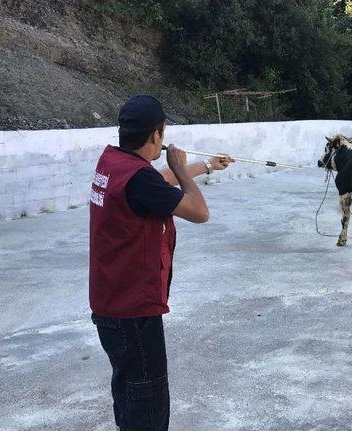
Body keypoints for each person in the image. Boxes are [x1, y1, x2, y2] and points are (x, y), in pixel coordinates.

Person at [89, 95, 233, 430]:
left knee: (128, 396)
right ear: (156, 134)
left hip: (111, 305)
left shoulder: (114, 163)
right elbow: (200, 212)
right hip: (133, 312)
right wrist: (183, 169)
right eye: (163, 131)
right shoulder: (138, 178)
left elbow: (159, 183)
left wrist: (208, 165)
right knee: (147, 406)